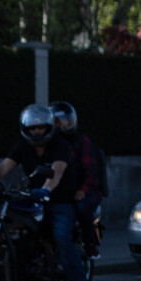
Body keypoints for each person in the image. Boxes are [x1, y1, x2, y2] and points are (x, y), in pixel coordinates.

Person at [0, 104, 92, 281]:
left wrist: (46, 189)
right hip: (32, 199)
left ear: (48, 127)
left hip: (60, 201)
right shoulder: (22, 146)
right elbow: (3, 167)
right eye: (32, 128)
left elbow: (56, 172)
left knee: (61, 237)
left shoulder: (61, 145)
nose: (36, 132)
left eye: (40, 127)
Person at [50, 101, 103, 259]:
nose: (60, 126)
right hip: (61, 190)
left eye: (63, 121)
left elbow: (91, 171)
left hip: (84, 189)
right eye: (56, 122)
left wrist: (83, 190)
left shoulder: (81, 141)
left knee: (82, 208)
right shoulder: (49, 144)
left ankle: (90, 245)